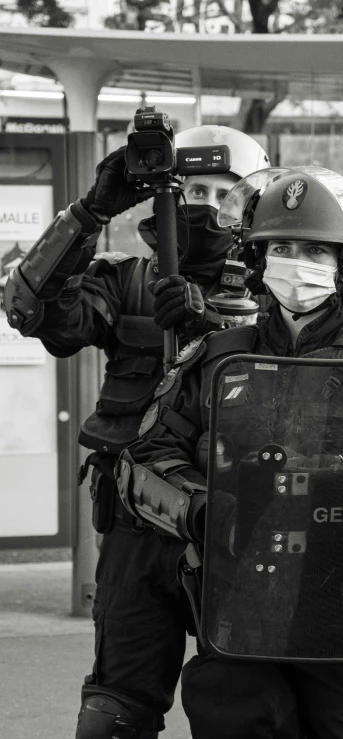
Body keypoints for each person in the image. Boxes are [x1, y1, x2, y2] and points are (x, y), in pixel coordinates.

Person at [117, 166, 343, 738]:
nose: (295, 262)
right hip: (237, 602)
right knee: (238, 717)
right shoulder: (214, 353)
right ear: (257, 258)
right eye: (280, 246)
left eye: (314, 248)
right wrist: (205, 509)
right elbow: (141, 463)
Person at [3, 125, 270, 739]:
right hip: (135, 526)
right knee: (114, 711)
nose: (202, 204)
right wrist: (89, 211)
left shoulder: (276, 291)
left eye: (220, 192)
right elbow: (30, 307)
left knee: (247, 707)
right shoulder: (126, 280)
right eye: (189, 189)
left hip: (236, 529)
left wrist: (211, 326)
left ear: (249, 202)